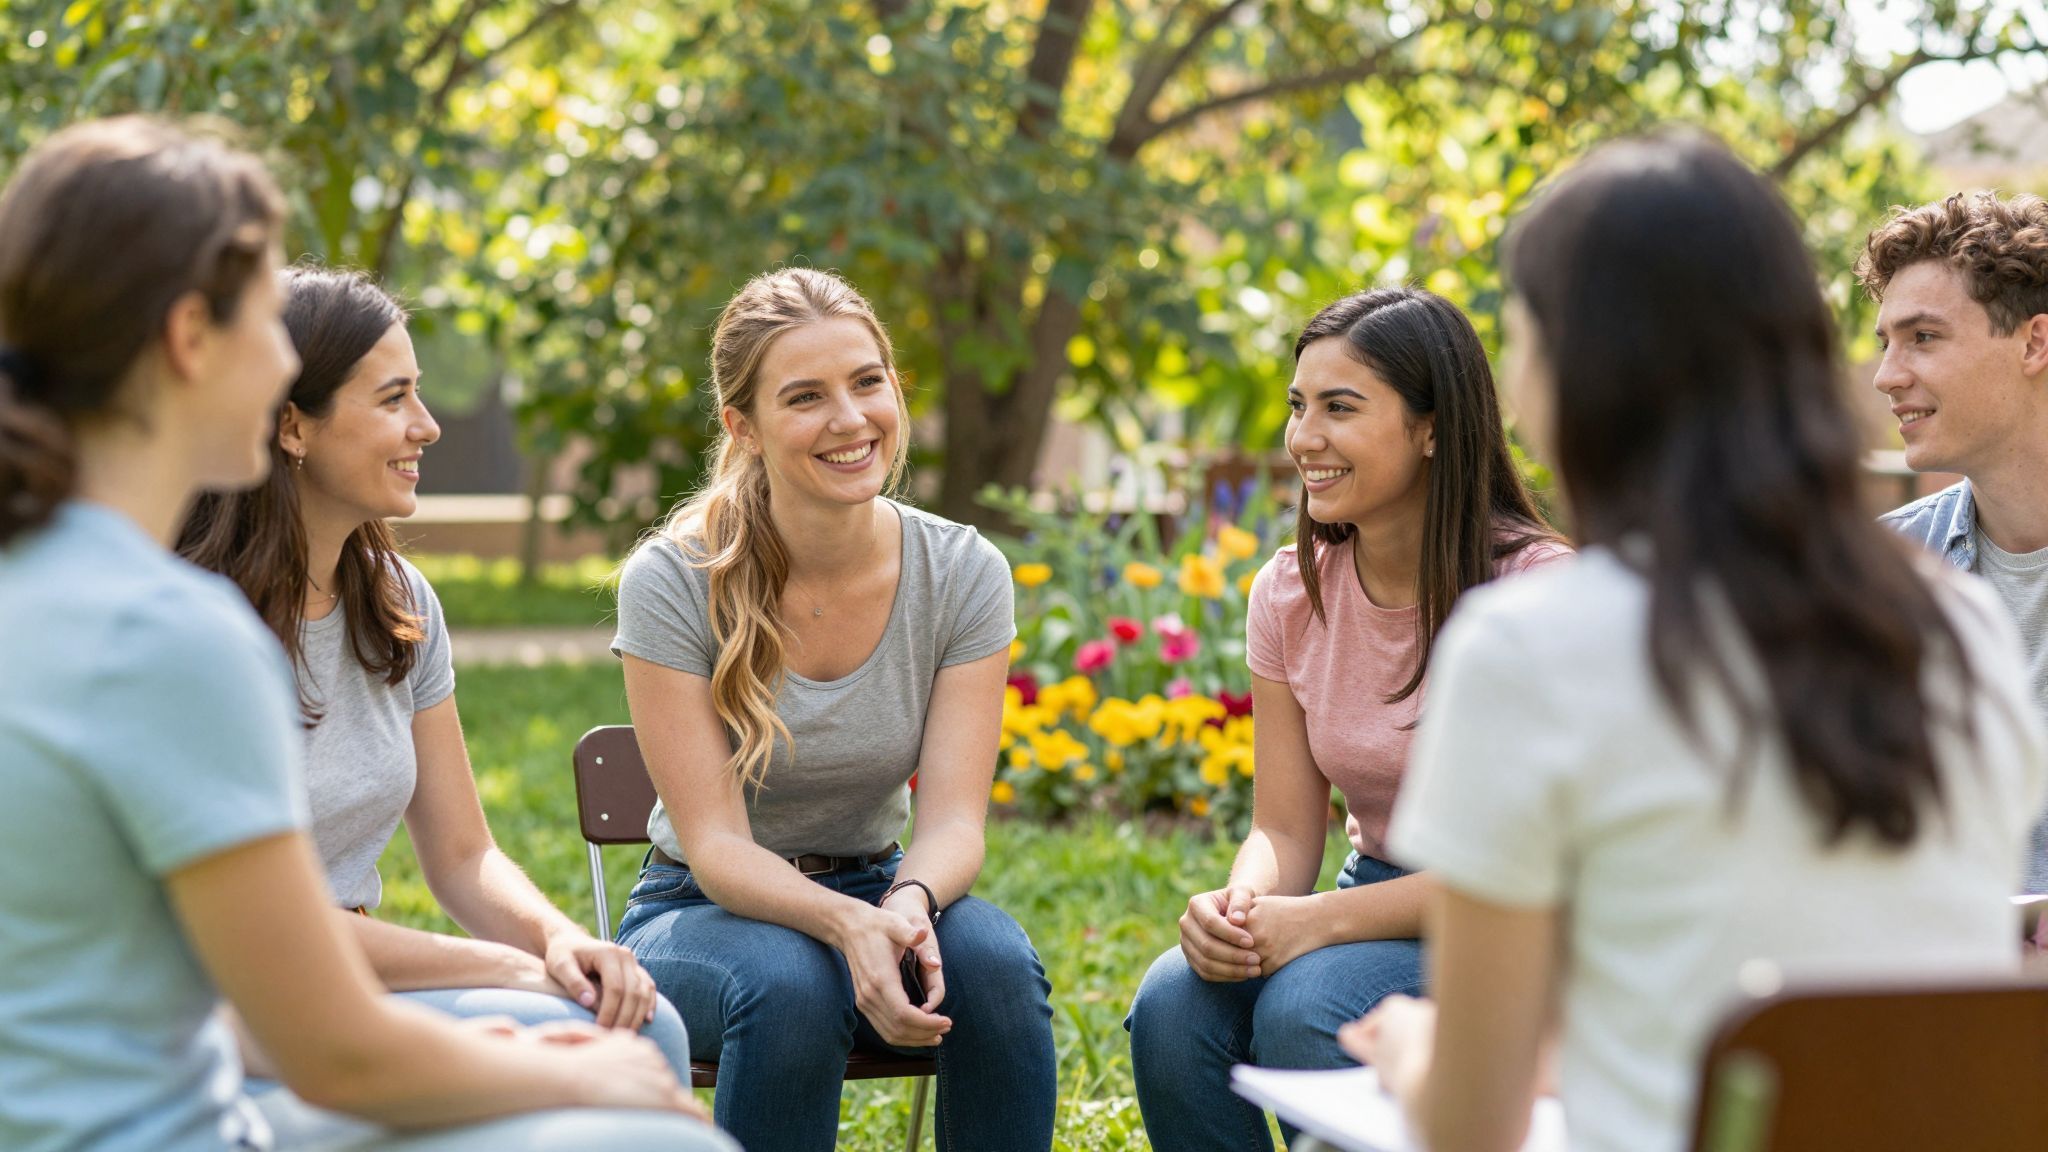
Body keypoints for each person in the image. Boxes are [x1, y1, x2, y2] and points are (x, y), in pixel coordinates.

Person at [0, 116, 732, 1152]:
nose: (278, 357)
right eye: (265, 322)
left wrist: (531, 988)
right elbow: (327, 1047)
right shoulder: (166, 633)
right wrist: (531, 1044)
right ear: (188, 341)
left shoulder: (48, 587)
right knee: (657, 1129)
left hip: (209, 1073)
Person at [1344, 131, 2047, 1152]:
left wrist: (1414, 1048)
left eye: (1521, 333)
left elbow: (1470, 1123)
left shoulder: (1529, 646)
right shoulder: (1954, 624)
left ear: (1575, 364)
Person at [178, 266, 690, 1074]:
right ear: (291, 427)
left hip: (359, 972)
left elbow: (460, 855)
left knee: (637, 1027)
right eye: (392, 399)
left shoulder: (398, 601)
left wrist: (563, 941)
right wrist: (515, 968)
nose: (428, 425)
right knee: (591, 1043)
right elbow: (260, 927)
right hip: (220, 1002)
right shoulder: (192, 625)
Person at [610, 266, 1057, 1152]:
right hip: (701, 910)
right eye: (805, 397)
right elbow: (718, 847)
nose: (850, 420)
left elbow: (956, 820)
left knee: (998, 969)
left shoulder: (963, 572)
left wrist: (905, 905)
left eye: (867, 382)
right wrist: (846, 924)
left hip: (885, 883)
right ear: (745, 427)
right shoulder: (673, 580)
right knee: (790, 986)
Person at [1124, 286, 1568, 1152]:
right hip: (1371, 898)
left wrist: (1315, 924)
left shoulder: (1538, 594)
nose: (1304, 438)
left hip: (1511, 925)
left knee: (1307, 1005)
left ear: (1432, 426)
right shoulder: (1291, 590)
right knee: (1174, 1002)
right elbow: (1286, 829)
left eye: (1340, 408)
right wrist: (1243, 907)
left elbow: (1538, 873)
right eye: (1298, 406)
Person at [1860, 191, 2048, 894]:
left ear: (2034, 343)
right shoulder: (1883, 575)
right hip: (1942, 985)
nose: (1887, 375)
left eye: (1924, 338)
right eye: (1886, 343)